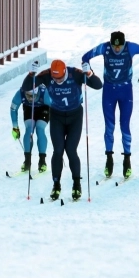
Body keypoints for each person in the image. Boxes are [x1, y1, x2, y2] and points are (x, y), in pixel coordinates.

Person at [81, 31, 139, 179]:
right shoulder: (104, 48)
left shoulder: (131, 47)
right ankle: (109, 159)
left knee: (125, 125)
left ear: (124, 43)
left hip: (125, 91)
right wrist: (89, 73)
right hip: (109, 90)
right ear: (111, 43)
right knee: (109, 126)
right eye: (114, 46)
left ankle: (127, 159)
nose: (117, 49)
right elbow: (85, 58)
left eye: (120, 46)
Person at [23, 59, 103, 201]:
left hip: (75, 116)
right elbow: (26, 88)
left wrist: (89, 73)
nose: (58, 81)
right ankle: (56, 185)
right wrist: (31, 74)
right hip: (57, 116)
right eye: (55, 78)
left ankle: (77, 185)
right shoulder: (47, 75)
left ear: (65, 71)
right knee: (58, 150)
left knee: (71, 150)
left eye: (60, 78)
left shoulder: (75, 74)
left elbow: (98, 85)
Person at [10, 80, 52, 173]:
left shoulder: (44, 93)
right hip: (29, 109)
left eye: (32, 96)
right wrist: (15, 127)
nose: (30, 98)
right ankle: (27, 161)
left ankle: (42, 161)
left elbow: (55, 107)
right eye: (28, 95)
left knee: (40, 129)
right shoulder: (20, 93)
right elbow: (13, 108)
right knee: (29, 129)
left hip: (43, 108)